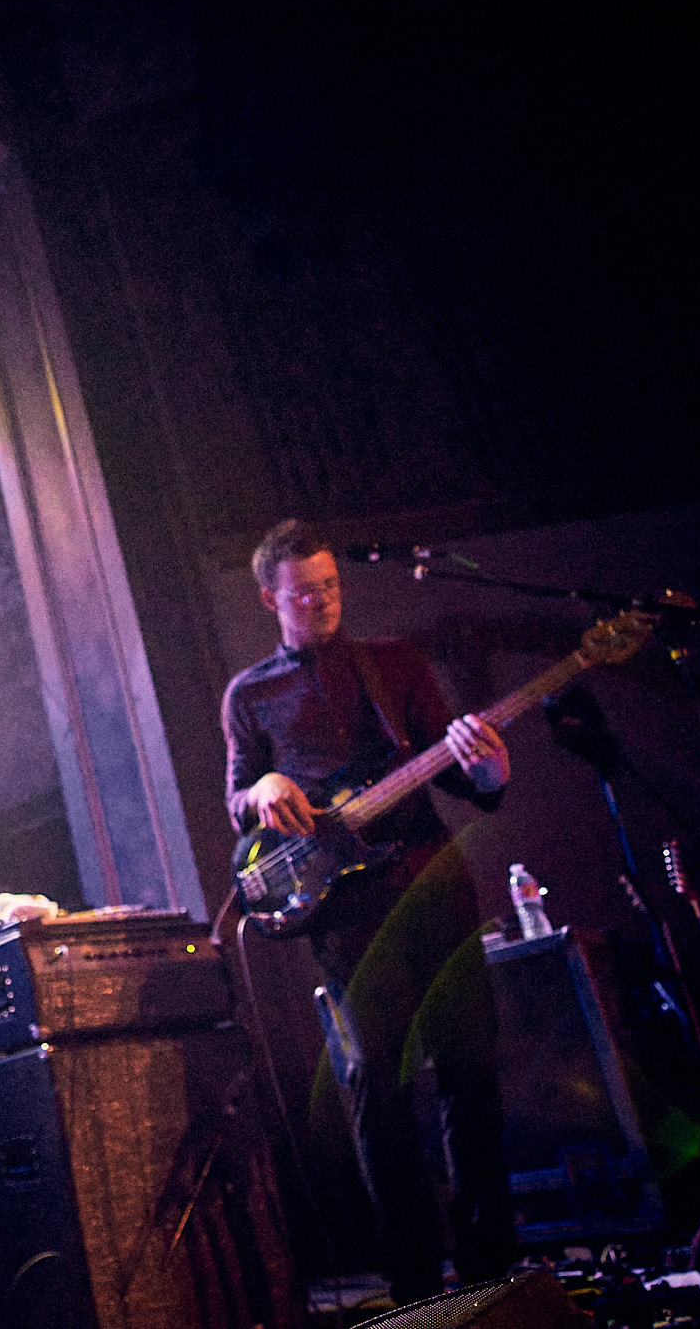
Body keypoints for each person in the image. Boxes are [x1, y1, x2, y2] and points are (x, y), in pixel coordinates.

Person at [222, 518, 515, 1303]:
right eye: (302, 591)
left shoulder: (395, 663)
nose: (319, 601)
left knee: (471, 1074)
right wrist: (262, 791)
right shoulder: (249, 694)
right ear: (268, 598)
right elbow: (237, 795)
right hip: (344, 912)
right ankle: (417, 1287)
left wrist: (488, 771)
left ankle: (492, 1275)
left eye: (329, 586)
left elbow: (462, 779)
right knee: (377, 1094)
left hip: (431, 880)